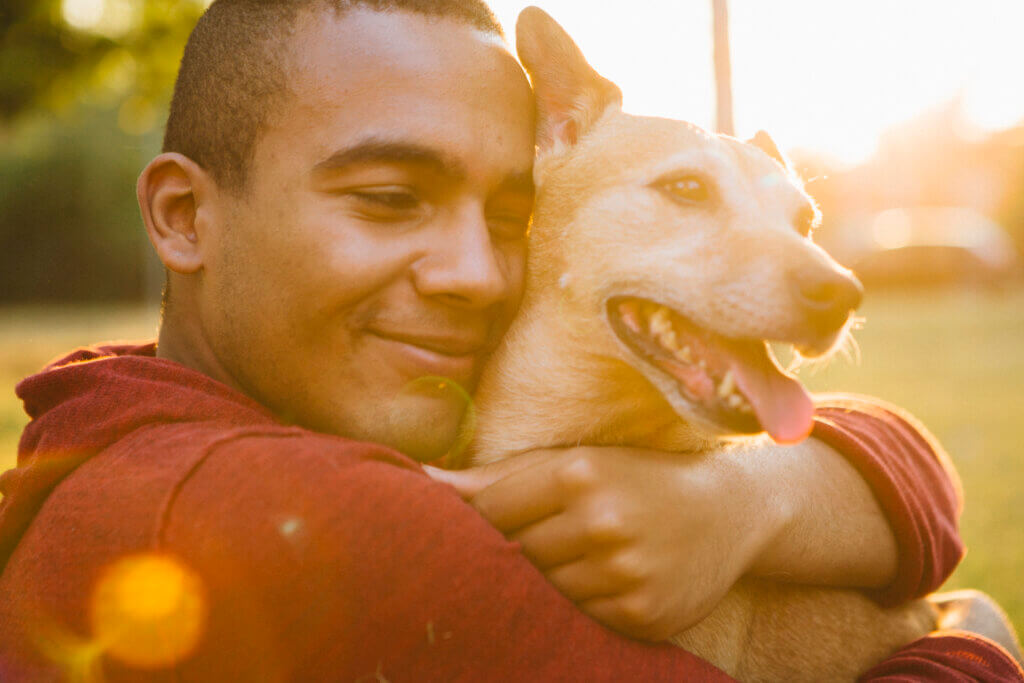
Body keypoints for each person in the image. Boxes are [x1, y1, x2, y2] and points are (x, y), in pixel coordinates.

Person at [0, 0, 1019, 679]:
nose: (480, 274)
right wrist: (974, 636)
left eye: (506, 217)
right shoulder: (300, 517)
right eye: (390, 197)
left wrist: (750, 497)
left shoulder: (123, 419)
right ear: (182, 215)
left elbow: (901, 472)